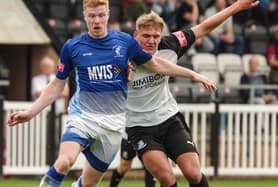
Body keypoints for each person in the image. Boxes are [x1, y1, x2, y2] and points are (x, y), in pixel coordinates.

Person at [7, 1, 216, 187]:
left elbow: (157, 65)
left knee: (88, 184)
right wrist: (31, 112)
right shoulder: (72, 47)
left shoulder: (125, 43)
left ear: (108, 14)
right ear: (84, 16)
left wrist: (193, 75)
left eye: (100, 15)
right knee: (64, 162)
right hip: (84, 116)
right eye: (92, 16)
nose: (96, 21)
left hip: (113, 126)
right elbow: (56, 85)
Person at [124, 1, 259, 187]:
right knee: (167, 178)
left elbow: (204, 27)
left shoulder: (170, 44)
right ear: (135, 35)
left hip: (169, 119)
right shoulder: (121, 56)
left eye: (155, 36)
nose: (151, 40)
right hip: (140, 128)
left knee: (194, 174)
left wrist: (237, 6)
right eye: (145, 36)